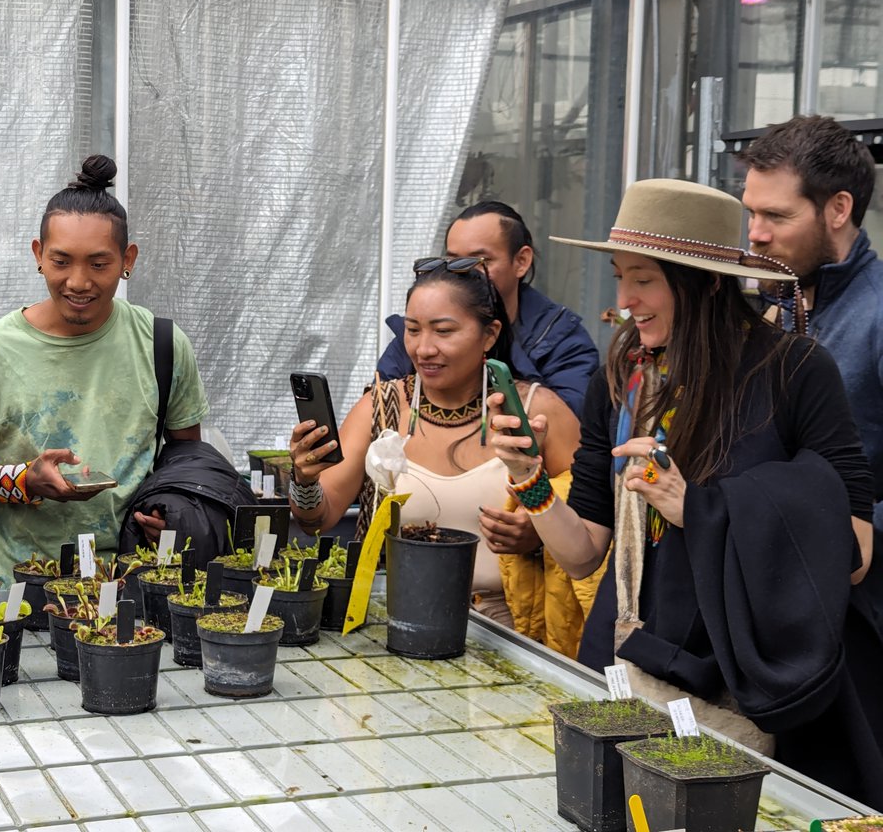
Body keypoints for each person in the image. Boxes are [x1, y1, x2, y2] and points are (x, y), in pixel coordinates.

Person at [489, 177, 883, 800]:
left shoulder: (795, 370)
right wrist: (528, 478)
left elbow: (855, 552)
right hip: (624, 659)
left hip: (745, 682)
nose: (625, 300)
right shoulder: (620, 377)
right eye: (620, 276)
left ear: (702, 281)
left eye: (643, 280)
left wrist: (696, 507)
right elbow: (585, 549)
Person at [289, 257, 598, 652]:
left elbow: (591, 540)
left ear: (490, 335)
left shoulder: (539, 412)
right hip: (399, 627)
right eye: (413, 330)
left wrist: (538, 534)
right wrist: (305, 479)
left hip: (515, 636)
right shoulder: (382, 406)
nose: (424, 348)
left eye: (444, 331)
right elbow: (318, 517)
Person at [0, 155, 209, 584]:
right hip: (20, 589)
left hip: (134, 582)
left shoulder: (162, 345)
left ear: (128, 259)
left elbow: (189, 463)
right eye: (62, 261)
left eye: (99, 264)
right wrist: (22, 480)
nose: (79, 282)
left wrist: (174, 511)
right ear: (39, 255)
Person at [739, 115, 883, 603]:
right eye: (751, 213)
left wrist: (841, 544)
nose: (755, 234)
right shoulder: (776, 304)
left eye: (776, 217)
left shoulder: (876, 315)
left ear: (838, 208)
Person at [377, 201, 599, 417]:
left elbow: (569, 426)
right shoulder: (419, 335)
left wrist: (499, 347)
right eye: (453, 261)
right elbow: (382, 413)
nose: (462, 274)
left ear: (521, 261)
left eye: (479, 261)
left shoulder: (562, 339)